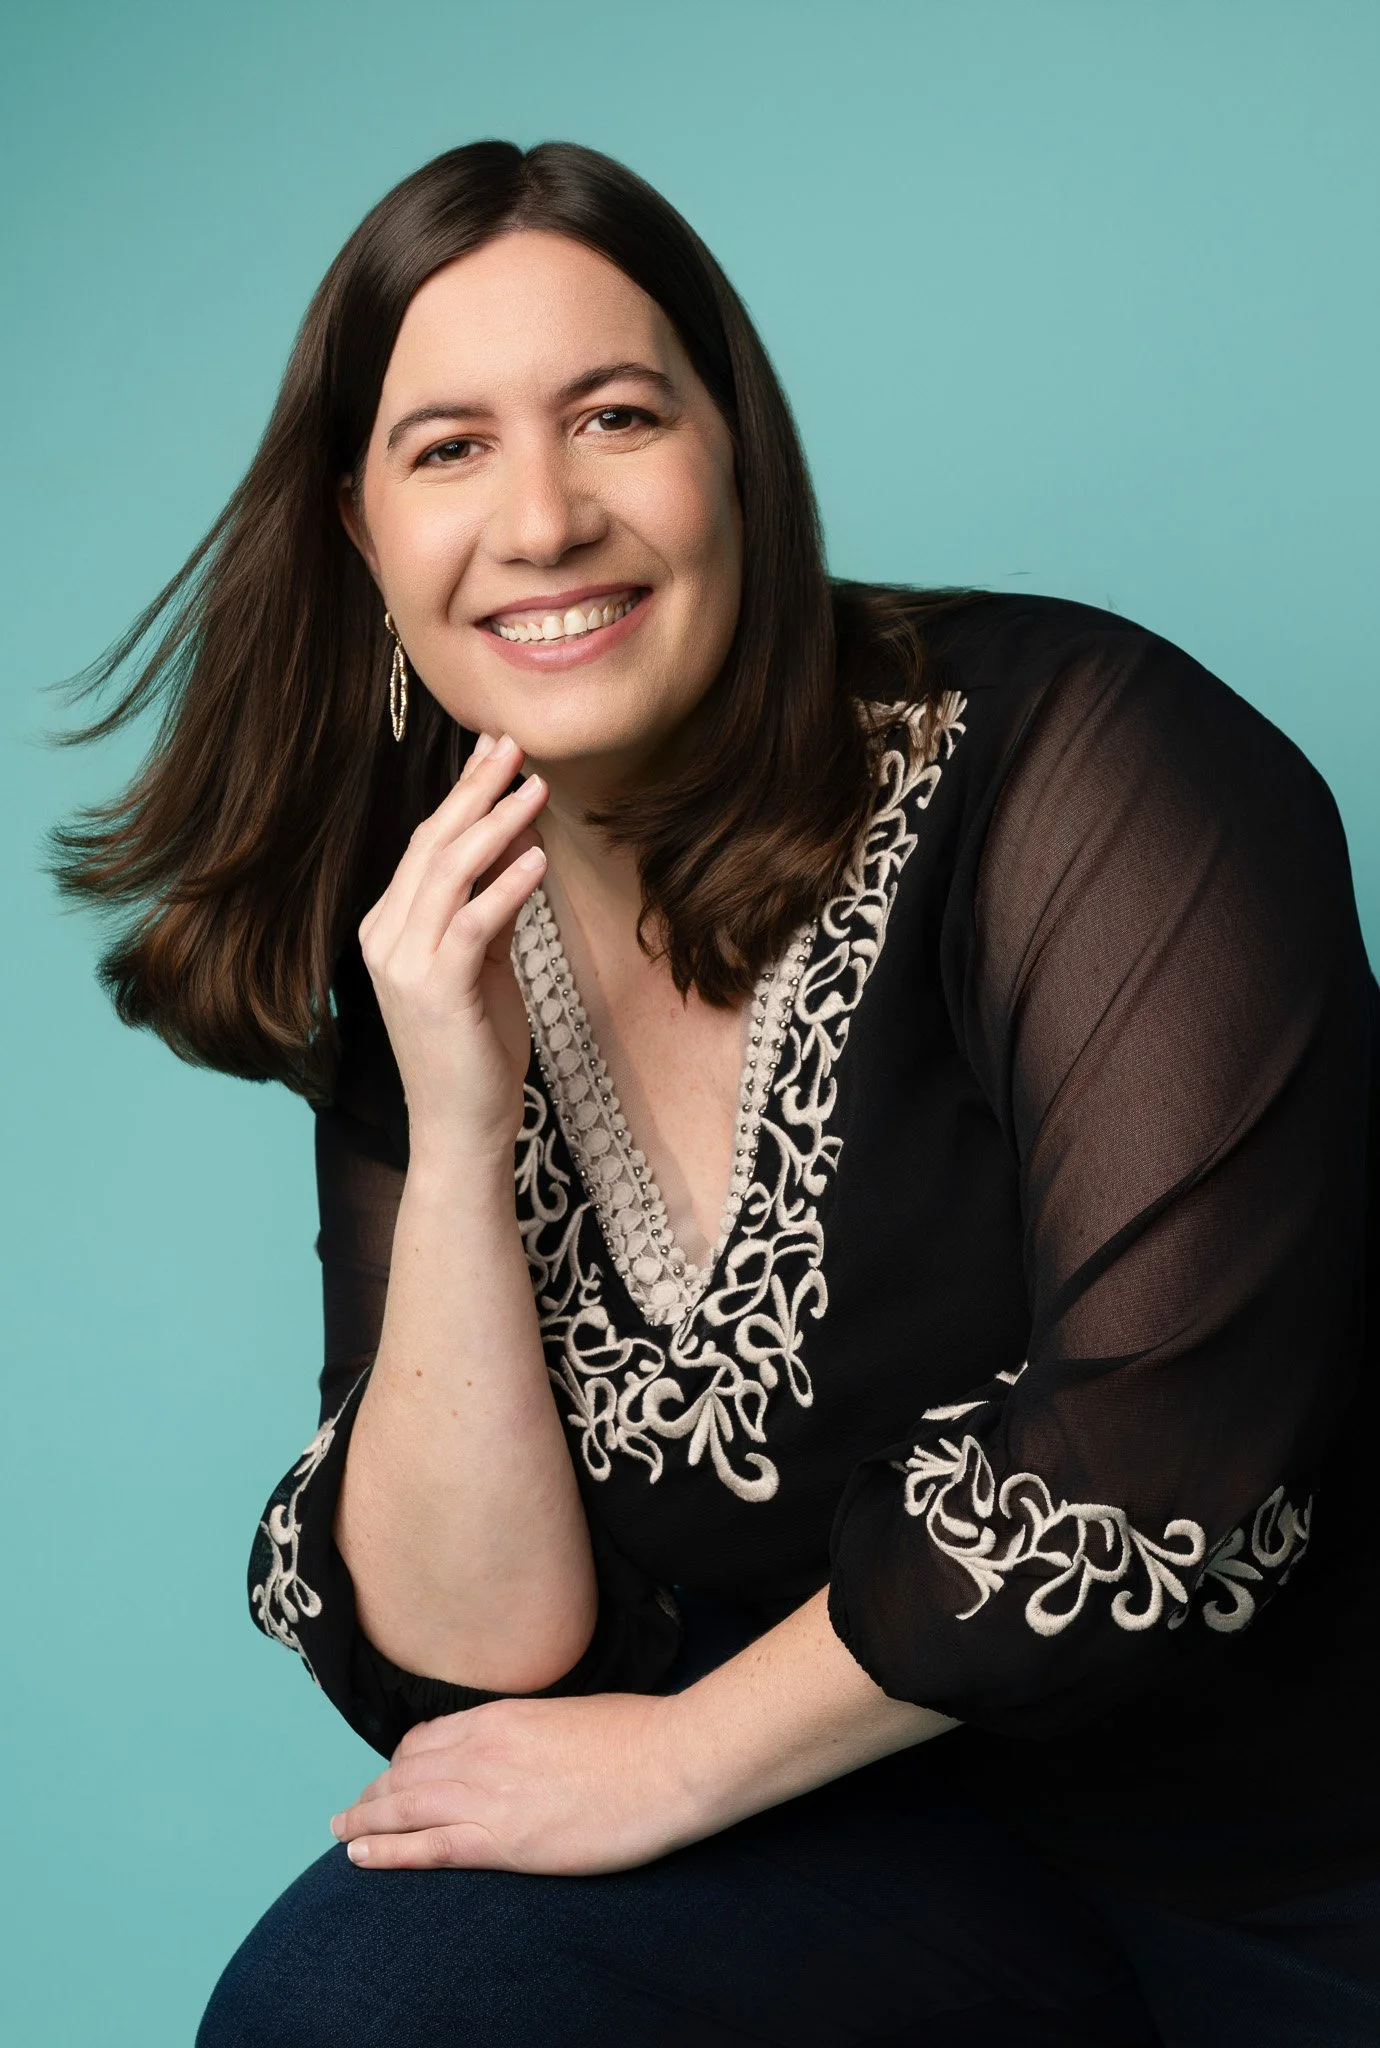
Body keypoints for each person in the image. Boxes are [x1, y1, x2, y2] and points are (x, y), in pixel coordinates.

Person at [55, 140, 1380, 2047]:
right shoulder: (428, 917)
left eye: (613, 415)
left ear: (735, 455)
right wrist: (450, 1121)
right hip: (875, 1869)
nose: (542, 518)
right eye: (446, 449)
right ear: (358, 534)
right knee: (355, 2005)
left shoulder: (1085, 761)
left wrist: (678, 1761)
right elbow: (478, 1654)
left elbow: (1165, 1451)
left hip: (1305, 1871)